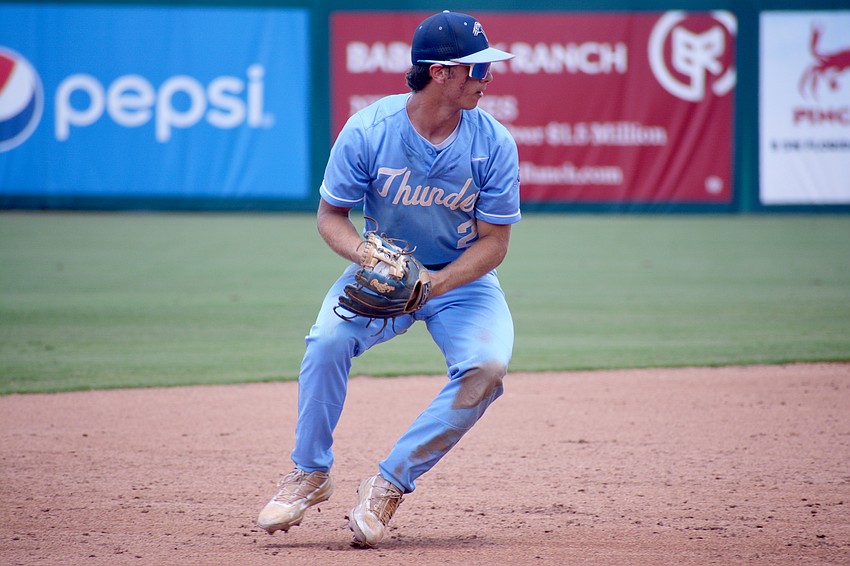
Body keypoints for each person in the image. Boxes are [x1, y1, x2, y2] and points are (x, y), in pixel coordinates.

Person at [257, 10, 520, 548]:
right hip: (381, 275)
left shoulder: (493, 144)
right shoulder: (370, 130)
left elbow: (494, 243)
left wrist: (436, 284)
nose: (488, 78)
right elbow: (331, 215)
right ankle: (310, 472)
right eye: (477, 69)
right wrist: (366, 256)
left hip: (459, 283)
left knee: (486, 369)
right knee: (326, 342)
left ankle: (389, 483)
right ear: (441, 72)